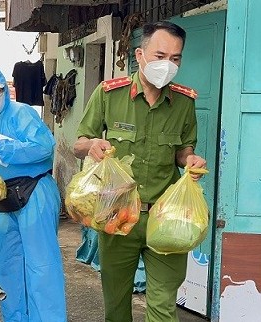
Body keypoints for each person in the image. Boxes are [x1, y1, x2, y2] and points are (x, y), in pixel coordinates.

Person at [73, 21, 207, 322]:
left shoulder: (184, 103)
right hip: (118, 215)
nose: (168, 65)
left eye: (175, 59)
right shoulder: (109, 94)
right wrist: (92, 144)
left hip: (165, 219)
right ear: (140, 54)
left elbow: (183, 151)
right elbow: (78, 143)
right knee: (117, 304)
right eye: (160, 56)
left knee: (162, 306)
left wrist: (190, 160)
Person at [0, 60, 67, 322]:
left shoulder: (22, 113)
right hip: (4, 201)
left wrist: (3, 149)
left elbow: (43, 147)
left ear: (4, 88)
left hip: (34, 192)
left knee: (41, 265)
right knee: (8, 264)